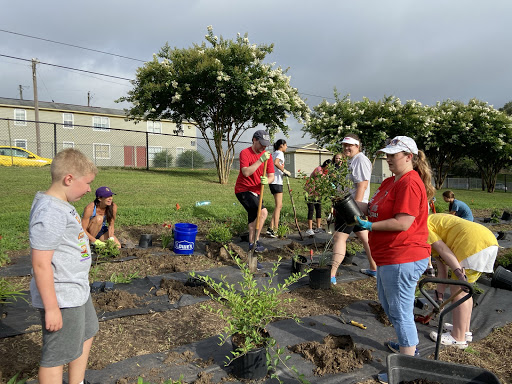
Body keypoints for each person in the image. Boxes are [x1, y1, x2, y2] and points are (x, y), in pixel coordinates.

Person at [355, 136, 436, 363]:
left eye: (393, 155)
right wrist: (348, 204)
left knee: (400, 311)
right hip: (388, 256)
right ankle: (406, 344)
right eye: (387, 154)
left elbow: (403, 223)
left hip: (404, 255)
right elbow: (371, 207)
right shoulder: (391, 182)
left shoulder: (409, 183)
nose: (388, 159)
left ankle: (408, 362)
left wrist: (369, 225)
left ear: (409, 157)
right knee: (390, 305)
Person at [29, 148, 99, 384]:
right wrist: (51, 308)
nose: (90, 189)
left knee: (87, 332)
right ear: (69, 179)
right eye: (87, 182)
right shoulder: (50, 212)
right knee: (56, 356)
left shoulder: (62, 204)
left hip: (76, 289)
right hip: (61, 297)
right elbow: (40, 264)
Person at [427, 213, 498, 348]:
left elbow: (442, 248)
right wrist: (438, 300)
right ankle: (464, 330)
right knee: (465, 291)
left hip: (471, 243)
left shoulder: (423, 227)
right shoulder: (433, 221)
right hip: (487, 240)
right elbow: (442, 273)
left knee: (459, 290)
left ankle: (457, 338)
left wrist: (459, 274)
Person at [330, 134, 376, 284]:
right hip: (350, 206)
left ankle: (331, 275)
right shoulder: (352, 160)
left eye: (350, 145)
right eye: (344, 145)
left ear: (358, 146)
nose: (346, 148)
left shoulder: (360, 160)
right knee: (365, 238)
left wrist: (353, 209)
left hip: (352, 207)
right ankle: (374, 268)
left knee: (339, 237)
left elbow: (362, 185)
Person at [235, 130, 275, 257]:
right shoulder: (245, 153)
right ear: (254, 140)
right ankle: (256, 242)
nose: (264, 147)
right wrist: (260, 161)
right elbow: (246, 172)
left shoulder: (267, 156)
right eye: (262, 144)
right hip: (244, 190)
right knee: (263, 212)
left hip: (258, 192)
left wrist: (267, 181)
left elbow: (272, 176)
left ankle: (252, 246)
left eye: (266, 145)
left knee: (253, 220)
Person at [267, 139, 291, 238]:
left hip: (273, 181)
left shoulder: (274, 153)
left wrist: (282, 172)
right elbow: (276, 163)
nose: (287, 147)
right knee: (279, 206)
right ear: (281, 146)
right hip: (276, 182)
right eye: (286, 145)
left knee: (278, 206)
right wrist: (284, 170)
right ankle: (275, 230)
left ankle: (270, 227)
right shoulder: (280, 153)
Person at [304, 159, 330, 236]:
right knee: (311, 209)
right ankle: (310, 229)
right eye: (329, 167)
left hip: (318, 194)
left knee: (318, 209)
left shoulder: (326, 172)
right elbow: (320, 181)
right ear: (326, 165)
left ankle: (318, 228)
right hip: (310, 193)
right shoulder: (318, 169)